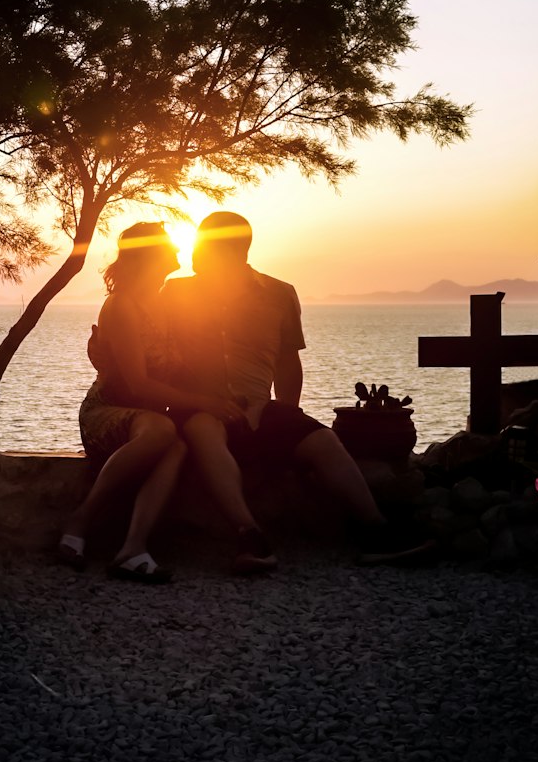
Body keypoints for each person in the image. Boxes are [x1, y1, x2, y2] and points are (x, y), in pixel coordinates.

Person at [161, 212, 436, 567]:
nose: (194, 253)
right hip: (201, 405)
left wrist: (284, 414)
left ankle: (375, 531)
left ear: (230, 249)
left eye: (203, 245)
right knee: (202, 430)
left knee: (322, 440)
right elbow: (159, 354)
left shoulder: (278, 293)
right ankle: (250, 536)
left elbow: (288, 363)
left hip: (261, 405)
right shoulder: (177, 292)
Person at [60, 221, 247, 583]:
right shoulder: (122, 306)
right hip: (107, 409)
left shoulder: (166, 304)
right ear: (149, 255)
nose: (178, 250)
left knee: (174, 446)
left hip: (149, 419)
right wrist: (203, 402)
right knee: (163, 431)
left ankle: (132, 548)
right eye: (169, 245)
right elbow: (138, 383)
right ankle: (81, 520)